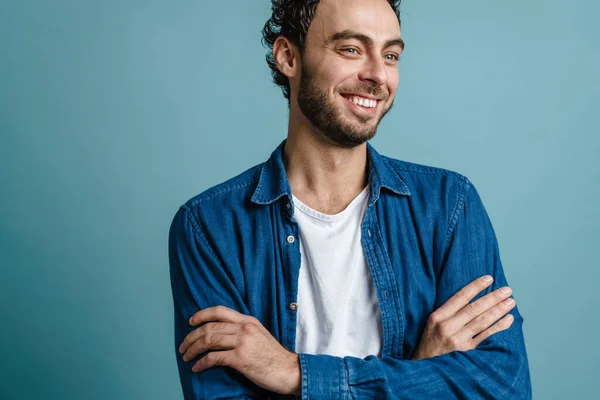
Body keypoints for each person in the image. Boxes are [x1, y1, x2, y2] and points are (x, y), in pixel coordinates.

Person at [168, 0, 532, 398]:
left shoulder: (449, 206)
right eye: (351, 49)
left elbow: (502, 387)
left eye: (390, 54)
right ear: (289, 57)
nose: (378, 74)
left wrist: (295, 374)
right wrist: (420, 371)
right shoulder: (209, 227)